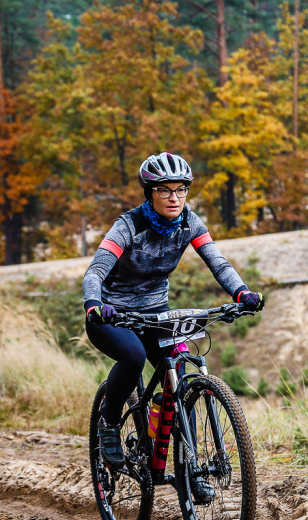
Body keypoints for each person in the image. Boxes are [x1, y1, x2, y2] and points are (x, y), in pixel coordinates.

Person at [82, 152, 264, 485]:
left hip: (156, 313)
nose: (174, 197)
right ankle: (109, 422)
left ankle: (189, 469)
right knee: (134, 356)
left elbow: (218, 264)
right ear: (149, 192)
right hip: (111, 315)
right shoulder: (128, 226)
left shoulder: (190, 223)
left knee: (178, 374)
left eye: (181, 190)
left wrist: (242, 293)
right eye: (165, 190)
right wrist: (94, 303)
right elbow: (96, 270)